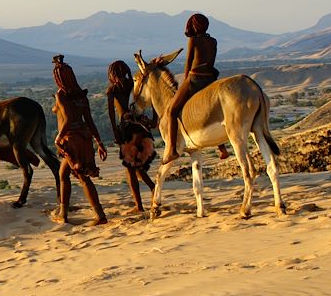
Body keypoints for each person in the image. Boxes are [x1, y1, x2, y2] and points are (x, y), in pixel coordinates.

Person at [162, 13, 229, 164]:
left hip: (195, 79)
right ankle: (222, 148)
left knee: (172, 111)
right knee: (215, 112)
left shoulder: (193, 40)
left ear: (193, 26)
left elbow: (189, 63)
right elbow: (210, 61)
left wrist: (186, 82)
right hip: (211, 78)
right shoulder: (213, 41)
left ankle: (172, 150)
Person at [52, 55, 108, 225]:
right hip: (84, 138)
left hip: (71, 141)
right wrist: (99, 142)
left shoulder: (61, 95)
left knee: (83, 178)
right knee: (63, 174)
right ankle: (63, 212)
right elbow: (89, 121)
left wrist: (58, 138)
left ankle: (100, 215)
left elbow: (67, 119)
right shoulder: (81, 96)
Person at [106, 60, 156, 213]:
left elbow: (111, 114)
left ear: (112, 75)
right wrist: (154, 120)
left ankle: (139, 206)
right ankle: (154, 189)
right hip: (141, 127)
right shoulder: (132, 84)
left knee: (130, 169)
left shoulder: (112, 90)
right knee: (138, 167)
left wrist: (115, 134)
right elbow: (151, 98)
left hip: (126, 130)